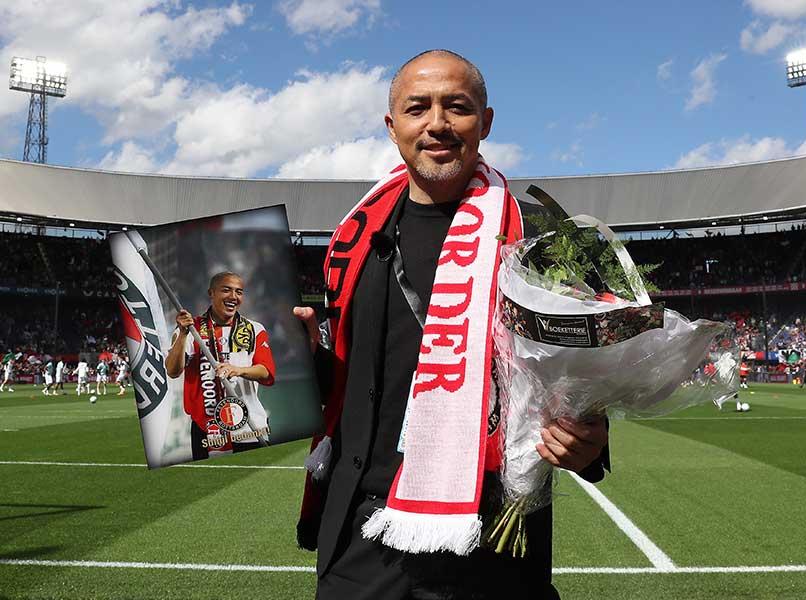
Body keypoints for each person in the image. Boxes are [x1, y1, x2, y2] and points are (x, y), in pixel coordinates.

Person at [293, 50, 610, 600]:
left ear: (485, 123)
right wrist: (304, 360)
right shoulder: (355, 239)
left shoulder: (538, 237)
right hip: (358, 544)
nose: (437, 123)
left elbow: (582, 376)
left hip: (487, 546)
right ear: (393, 128)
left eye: (456, 107)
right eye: (418, 108)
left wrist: (591, 439)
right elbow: (353, 385)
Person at [164, 271, 276, 460]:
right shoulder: (191, 329)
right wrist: (183, 334)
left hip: (249, 426)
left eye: (239, 292)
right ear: (211, 293)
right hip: (206, 428)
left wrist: (238, 370)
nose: (233, 296)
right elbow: (173, 371)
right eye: (226, 290)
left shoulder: (255, 329)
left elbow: (266, 372)